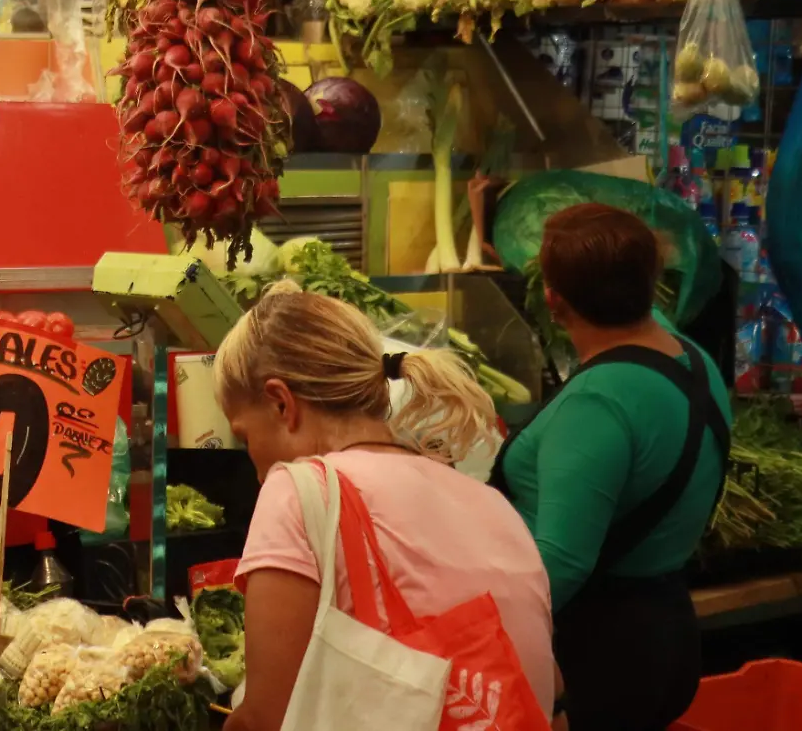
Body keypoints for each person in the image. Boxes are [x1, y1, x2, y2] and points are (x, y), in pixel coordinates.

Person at [218, 281, 554, 731]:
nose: (256, 470)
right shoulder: (491, 505)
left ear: (282, 403)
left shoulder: (300, 489)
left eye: (245, 438)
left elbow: (268, 717)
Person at [491, 202, 731, 731]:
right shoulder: (691, 359)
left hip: (598, 656)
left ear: (553, 301)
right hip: (666, 628)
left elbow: (562, 560)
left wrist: (473, 628)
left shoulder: (597, 402)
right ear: (650, 282)